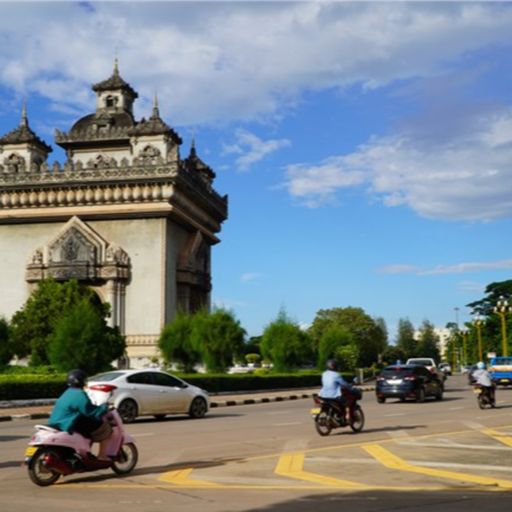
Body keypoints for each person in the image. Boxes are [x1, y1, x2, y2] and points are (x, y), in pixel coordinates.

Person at [48, 369, 113, 460]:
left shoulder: (67, 392)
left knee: (89, 427)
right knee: (104, 428)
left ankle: (85, 452)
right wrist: (104, 407)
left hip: (57, 422)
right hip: (68, 424)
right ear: (80, 381)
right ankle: (102, 456)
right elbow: (91, 412)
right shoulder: (79, 394)